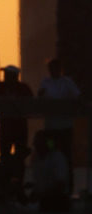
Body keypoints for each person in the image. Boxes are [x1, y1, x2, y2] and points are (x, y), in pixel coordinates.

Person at [37, 57, 81, 190]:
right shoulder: (45, 82)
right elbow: (40, 97)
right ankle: (50, 184)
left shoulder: (67, 82)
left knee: (66, 155)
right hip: (51, 129)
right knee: (51, 153)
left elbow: (77, 97)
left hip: (65, 128)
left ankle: (69, 186)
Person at [0, 64, 33, 197]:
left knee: (19, 158)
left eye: (8, 74)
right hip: (5, 129)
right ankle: (5, 185)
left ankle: (18, 185)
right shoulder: (0, 87)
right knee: (5, 158)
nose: (5, 76)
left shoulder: (23, 88)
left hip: (19, 128)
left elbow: (31, 103)